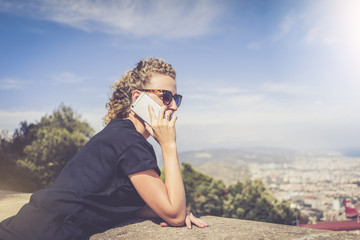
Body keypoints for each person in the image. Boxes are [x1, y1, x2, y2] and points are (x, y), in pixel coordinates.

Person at [0, 58, 208, 240]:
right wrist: (169, 144)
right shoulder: (131, 143)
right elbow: (175, 215)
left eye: (176, 98)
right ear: (138, 98)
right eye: (166, 97)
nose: (173, 106)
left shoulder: (117, 133)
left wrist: (162, 208)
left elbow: (108, 201)